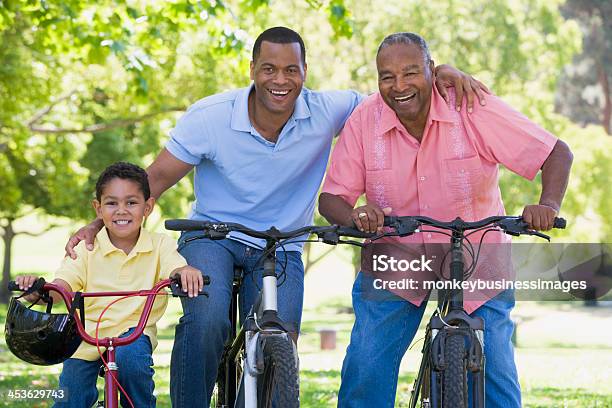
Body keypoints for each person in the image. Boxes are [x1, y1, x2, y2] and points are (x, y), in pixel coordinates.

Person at [63, 27, 489, 407]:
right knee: (208, 318)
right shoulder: (210, 117)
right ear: (252, 69)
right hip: (213, 235)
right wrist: (98, 224)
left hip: (282, 242)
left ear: (305, 72)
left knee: (282, 337)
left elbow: (392, 97)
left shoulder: (330, 109)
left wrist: (440, 74)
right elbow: (152, 179)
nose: (280, 80)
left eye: (291, 69)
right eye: (269, 68)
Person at [318, 32, 573, 407]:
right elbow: (331, 197)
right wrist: (355, 214)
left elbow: (556, 153)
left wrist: (547, 205)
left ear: (432, 71)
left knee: (496, 377)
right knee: (366, 368)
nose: (399, 86)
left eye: (410, 73)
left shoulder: (470, 106)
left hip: (477, 255)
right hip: (397, 257)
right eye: (387, 76)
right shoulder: (364, 120)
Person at [16, 162, 202, 408]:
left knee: (132, 363)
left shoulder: (160, 245)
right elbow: (62, 287)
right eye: (112, 203)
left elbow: (174, 267)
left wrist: (184, 271)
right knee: (72, 394)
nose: (121, 211)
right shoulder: (86, 248)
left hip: (135, 334)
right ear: (98, 208)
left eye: (131, 203)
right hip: (86, 336)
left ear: (148, 207)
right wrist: (38, 291)